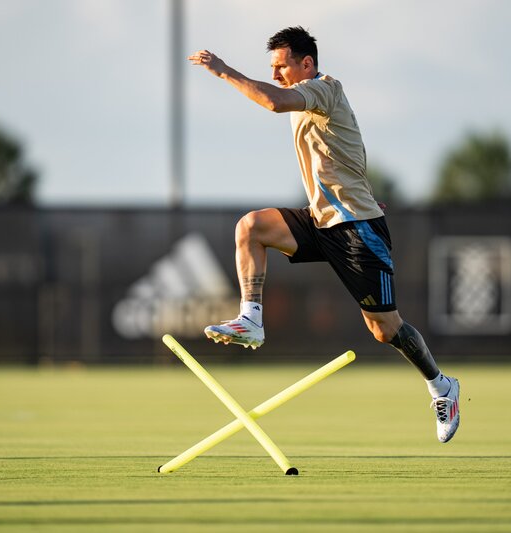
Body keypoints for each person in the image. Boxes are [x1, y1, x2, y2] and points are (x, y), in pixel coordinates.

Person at [188, 26, 460, 443]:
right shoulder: (308, 99)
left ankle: (442, 386)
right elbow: (347, 149)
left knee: (385, 329)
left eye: (281, 66)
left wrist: (223, 70)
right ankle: (252, 319)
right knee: (251, 226)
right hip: (320, 221)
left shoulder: (324, 89)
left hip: (358, 230)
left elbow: (274, 101)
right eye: (272, 68)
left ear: (307, 64)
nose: (276, 74)